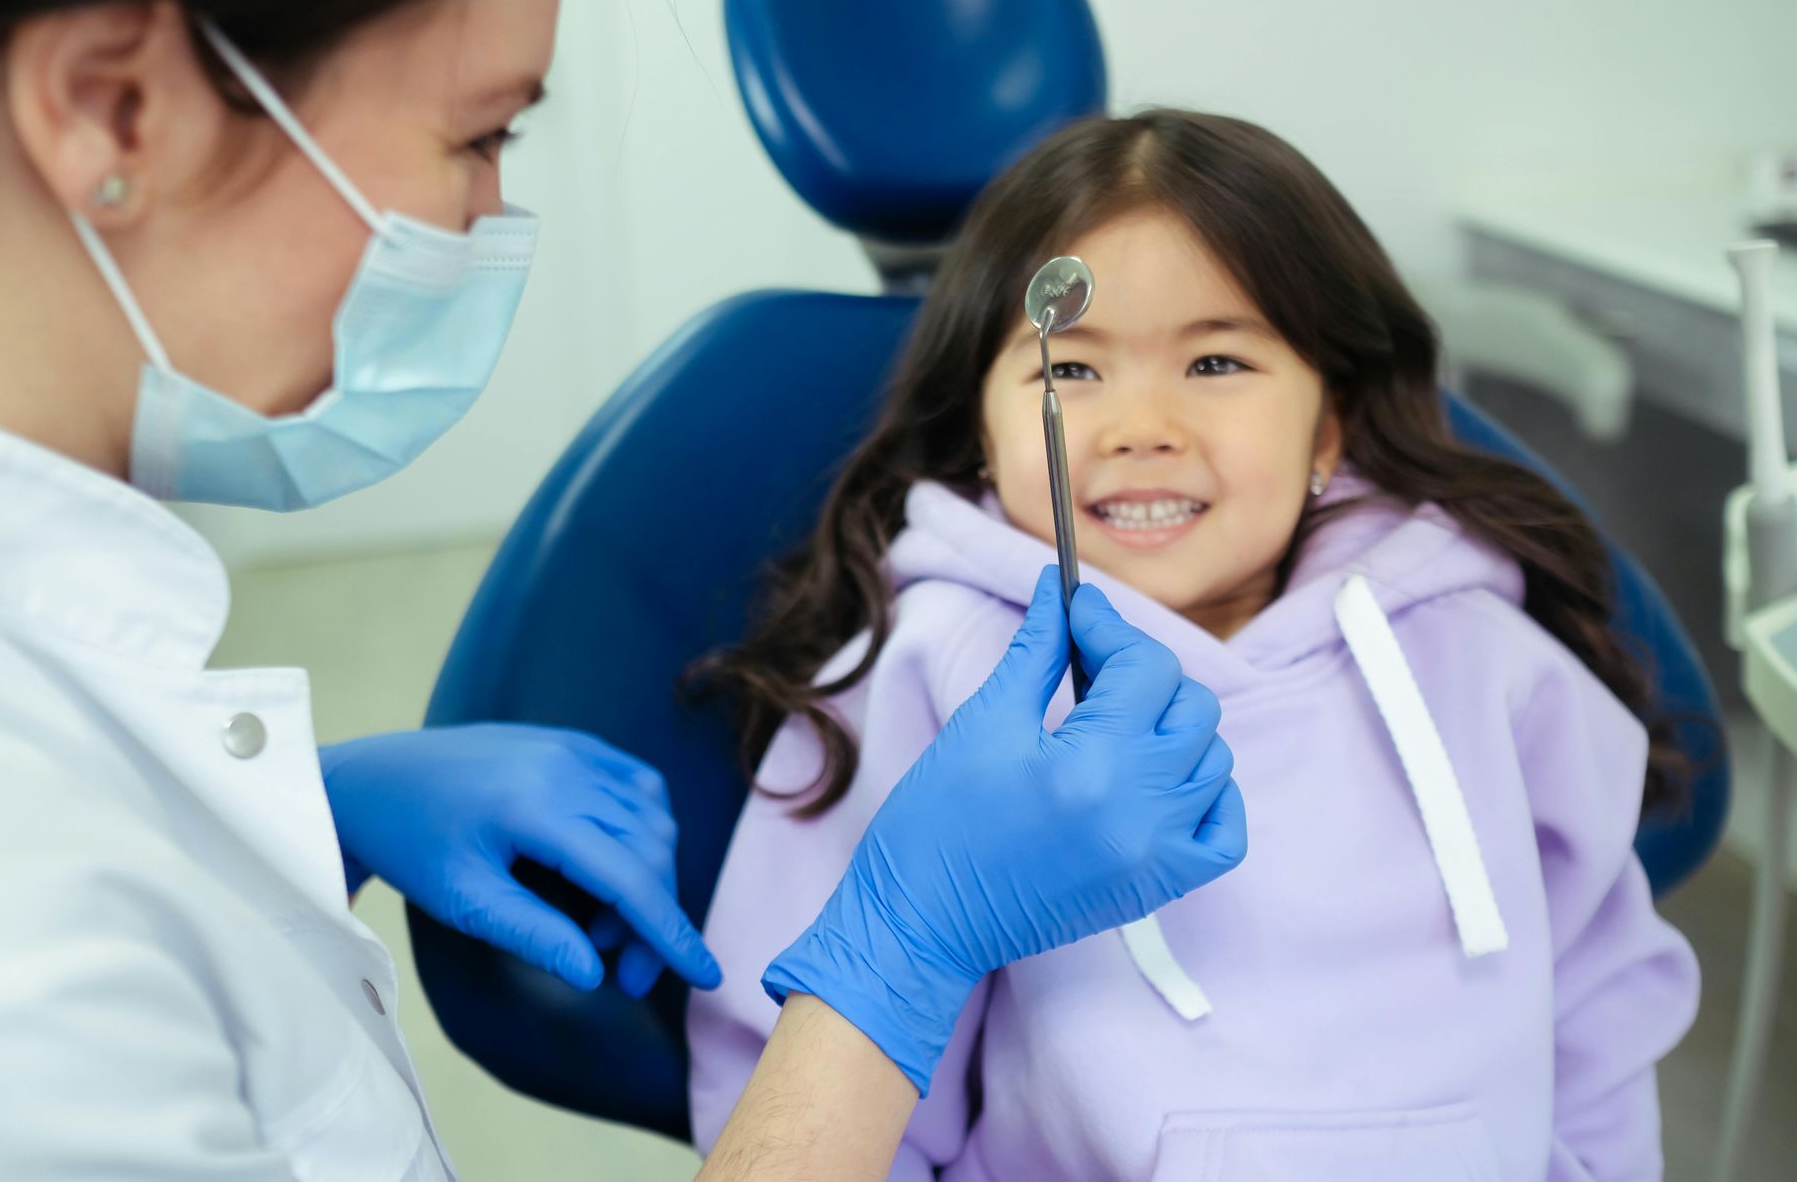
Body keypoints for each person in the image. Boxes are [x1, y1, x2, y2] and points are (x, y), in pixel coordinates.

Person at [0, 0, 1246, 1178]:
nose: (486, 222)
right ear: (115, 108)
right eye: (481, 135)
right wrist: (902, 952)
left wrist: (294, 811)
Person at [688, 109, 1701, 1180]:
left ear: (1326, 426)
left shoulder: (1485, 658)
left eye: (1216, 360)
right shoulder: (927, 679)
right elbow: (809, 1071)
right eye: (1071, 372)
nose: (1142, 425)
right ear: (981, 430)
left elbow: (1600, 1005)